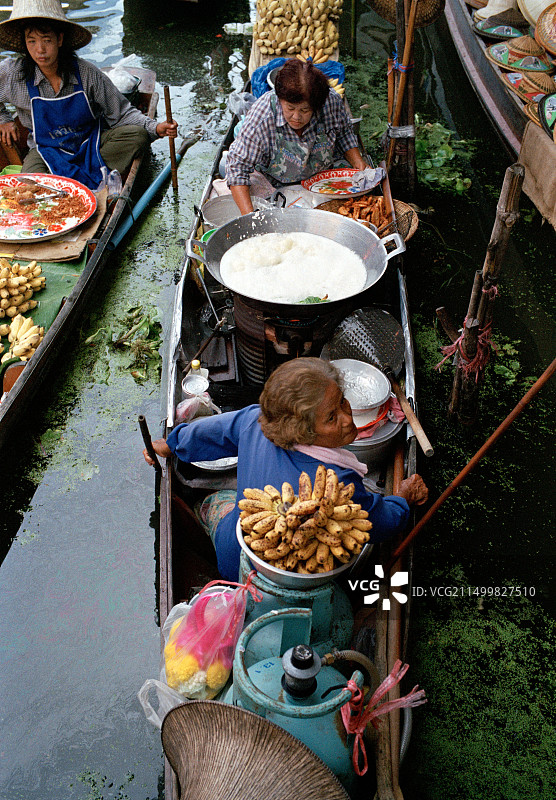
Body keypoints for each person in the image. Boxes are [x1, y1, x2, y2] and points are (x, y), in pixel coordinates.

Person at [143, 358, 428, 582]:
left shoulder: (254, 419)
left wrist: (170, 445)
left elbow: (211, 433)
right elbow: (379, 523)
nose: (347, 418)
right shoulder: (337, 483)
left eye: (342, 400)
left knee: (213, 503)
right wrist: (402, 499)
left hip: (232, 552)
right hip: (279, 583)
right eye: (331, 417)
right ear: (302, 432)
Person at [0, 0, 178, 190]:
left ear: (60, 39)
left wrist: (156, 127)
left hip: (90, 146)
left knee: (138, 136)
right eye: (32, 41)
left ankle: (75, 183)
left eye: (47, 40)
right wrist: (3, 118)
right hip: (47, 152)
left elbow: (122, 112)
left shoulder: (86, 73)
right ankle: (87, 182)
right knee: (28, 186)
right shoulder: (14, 75)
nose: (40, 50)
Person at [225, 58, 368, 215]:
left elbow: (344, 134)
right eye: (290, 108)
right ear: (280, 100)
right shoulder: (262, 115)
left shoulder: (331, 102)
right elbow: (237, 167)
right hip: (273, 183)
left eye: (305, 110)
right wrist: (250, 217)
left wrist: (360, 164)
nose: (296, 117)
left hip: (321, 179)